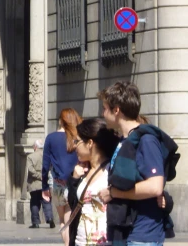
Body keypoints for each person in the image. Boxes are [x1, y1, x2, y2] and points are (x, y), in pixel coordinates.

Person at [97, 81, 173, 246]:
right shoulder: (125, 140)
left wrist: (114, 193)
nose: (102, 114)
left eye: (104, 108)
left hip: (142, 235)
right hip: (126, 231)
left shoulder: (146, 140)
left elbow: (155, 186)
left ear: (116, 110)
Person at [64, 118, 120, 246]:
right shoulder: (83, 171)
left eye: (77, 141)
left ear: (89, 143)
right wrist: (74, 179)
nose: (74, 146)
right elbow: (73, 205)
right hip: (80, 241)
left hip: (105, 242)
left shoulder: (111, 171)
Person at [42, 107, 82, 245]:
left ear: (61, 121)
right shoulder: (76, 138)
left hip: (58, 184)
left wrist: (44, 187)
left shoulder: (51, 138)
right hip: (74, 182)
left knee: (62, 221)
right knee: (70, 218)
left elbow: (45, 166)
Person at [26, 139, 54, 229]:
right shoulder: (48, 156)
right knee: (46, 201)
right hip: (45, 182)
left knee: (34, 202)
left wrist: (39, 176)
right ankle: (49, 218)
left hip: (34, 183)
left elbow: (30, 170)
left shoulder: (30, 156)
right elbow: (51, 167)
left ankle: (35, 222)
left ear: (35, 147)